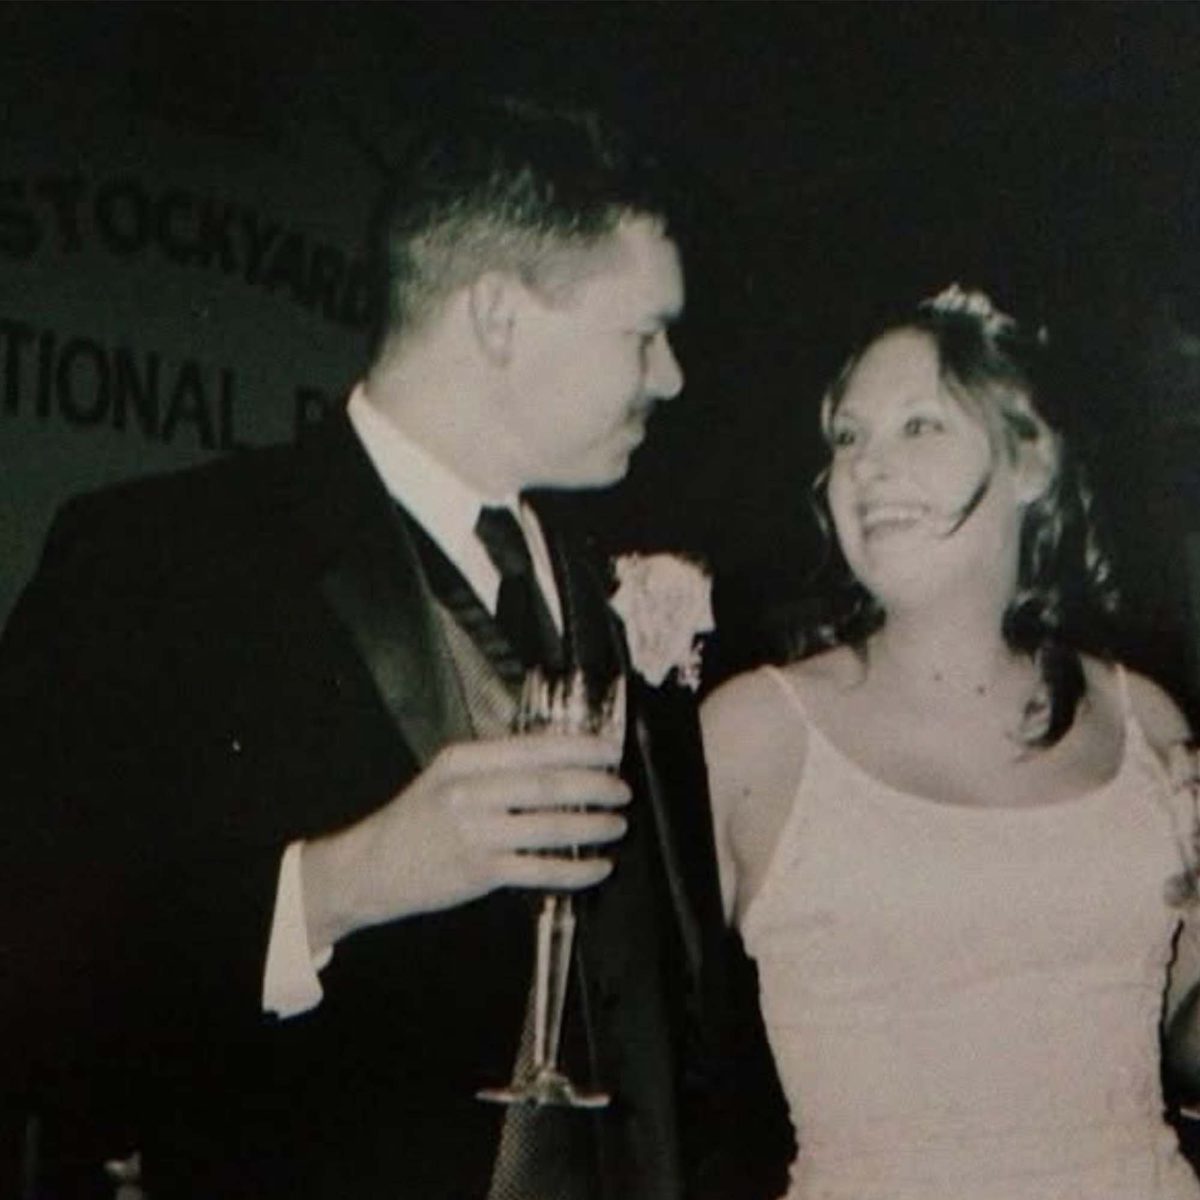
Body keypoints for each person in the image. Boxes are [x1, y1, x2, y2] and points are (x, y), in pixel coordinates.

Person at [0, 97, 744, 1200]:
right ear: (498, 316)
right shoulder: (156, 555)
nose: (673, 377)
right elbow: (32, 971)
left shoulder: (627, 592)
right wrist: (340, 884)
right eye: (644, 334)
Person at [701, 284, 1200, 1199]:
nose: (868, 467)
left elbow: (1185, 1040)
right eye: (848, 437)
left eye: (919, 426)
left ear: (1032, 459)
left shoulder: (1146, 721)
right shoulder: (753, 735)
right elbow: (616, 1052)